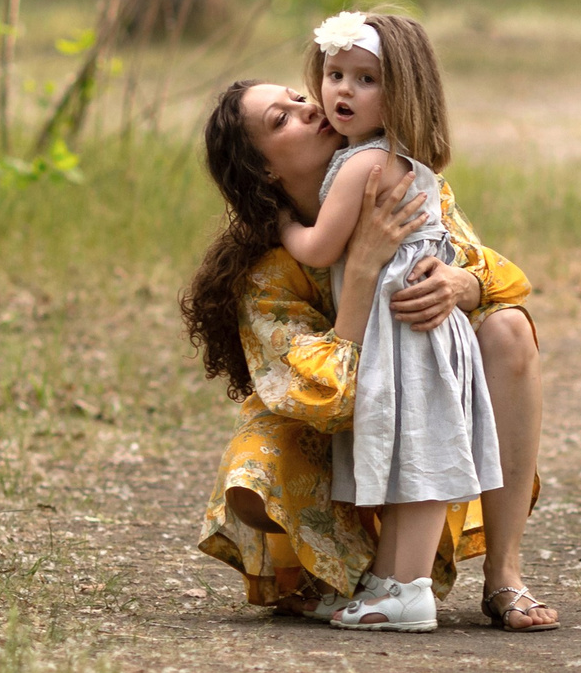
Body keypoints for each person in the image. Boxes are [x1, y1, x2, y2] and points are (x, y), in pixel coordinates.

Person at [182, 66, 560, 632]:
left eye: (298, 97)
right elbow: (324, 399)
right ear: (263, 167)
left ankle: (505, 576)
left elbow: (507, 280)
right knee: (253, 479)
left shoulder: (394, 181)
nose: (310, 108)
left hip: (426, 401)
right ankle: (363, 576)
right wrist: (359, 273)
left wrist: (464, 284)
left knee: (507, 329)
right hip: (333, 430)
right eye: (281, 119)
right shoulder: (270, 273)